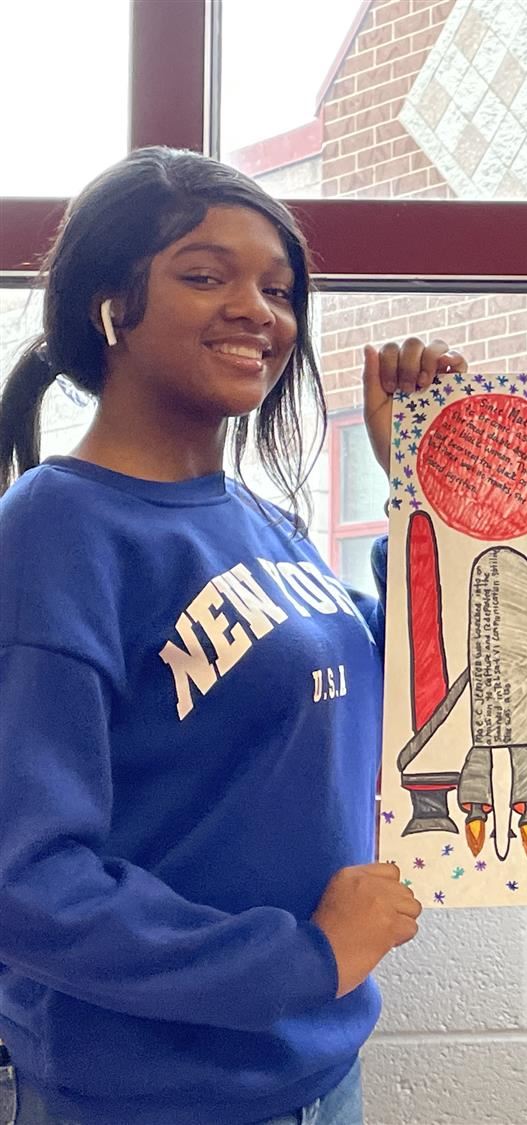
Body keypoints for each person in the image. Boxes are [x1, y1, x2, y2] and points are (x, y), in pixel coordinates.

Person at [0, 148, 466, 1124]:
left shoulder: (264, 520)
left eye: (279, 287)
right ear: (109, 306)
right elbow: (27, 880)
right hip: (154, 1093)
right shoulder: (53, 531)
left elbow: (413, 686)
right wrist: (304, 959)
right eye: (205, 275)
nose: (259, 309)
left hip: (315, 1064)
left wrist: (421, 481)